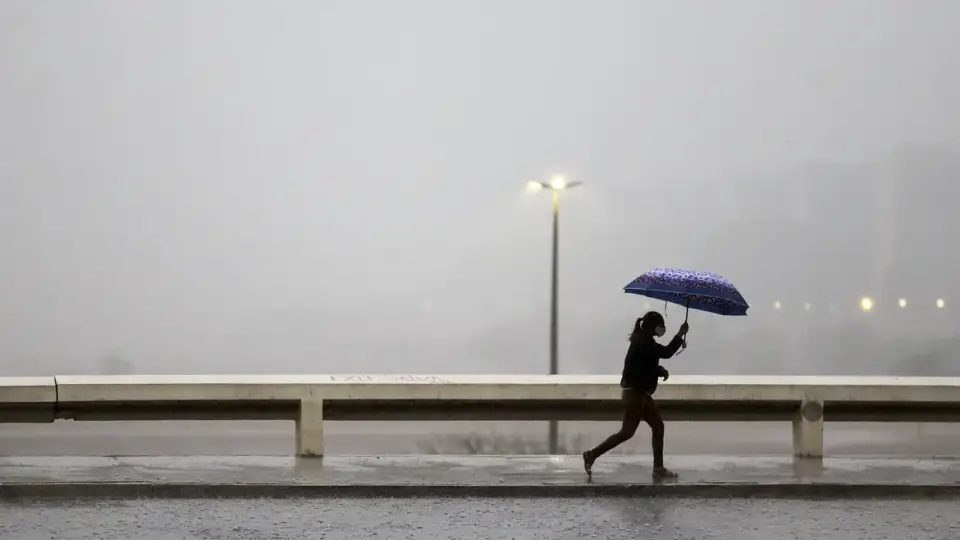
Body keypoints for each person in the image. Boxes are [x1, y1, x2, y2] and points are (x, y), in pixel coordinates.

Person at [582, 311, 689, 480]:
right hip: (635, 396)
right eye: (660, 326)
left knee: (657, 426)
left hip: (640, 395)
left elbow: (646, 366)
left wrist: (659, 370)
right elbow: (666, 353)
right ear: (653, 327)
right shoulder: (645, 343)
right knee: (627, 432)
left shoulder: (643, 341)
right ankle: (592, 455)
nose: (662, 329)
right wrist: (680, 334)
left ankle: (658, 468)